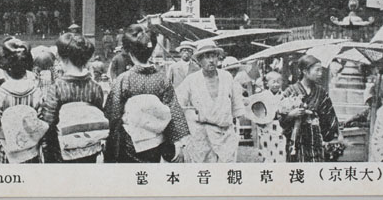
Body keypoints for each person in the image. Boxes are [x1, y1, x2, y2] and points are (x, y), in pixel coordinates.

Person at [103, 24, 190, 163]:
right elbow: (173, 108)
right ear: (152, 52)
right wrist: (178, 142)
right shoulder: (162, 79)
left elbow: (113, 112)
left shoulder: (124, 79)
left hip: (130, 141)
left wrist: (109, 140)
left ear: (130, 53)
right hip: (156, 141)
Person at [40, 33, 106, 163]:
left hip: (62, 152)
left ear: (62, 58)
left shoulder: (57, 88)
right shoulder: (95, 87)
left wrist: (47, 153)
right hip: (89, 150)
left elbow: (48, 123)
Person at [175, 39, 245, 163]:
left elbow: (237, 108)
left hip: (225, 135)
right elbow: (177, 105)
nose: (211, 60)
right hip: (202, 136)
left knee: (225, 174)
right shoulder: (192, 80)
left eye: (214, 56)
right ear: (199, 60)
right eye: (207, 57)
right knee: (205, 174)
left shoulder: (227, 77)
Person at [0, 38, 44, 163]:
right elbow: (42, 122)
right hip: (31, 152)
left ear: (4, 70)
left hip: (4, 152)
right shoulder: (37, 93)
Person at [278, 54, 341, 163]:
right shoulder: (290, 91)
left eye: (321, 70)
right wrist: (291, 114)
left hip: (315, 139)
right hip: (296, 140)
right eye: (317, 70)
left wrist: (334, 134)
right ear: (305, 71)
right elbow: (280, 117)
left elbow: (329, 115)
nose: (320, 74)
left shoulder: (321, 92)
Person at [254, 71, 286, 163]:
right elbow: (257, 112)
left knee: (281, 150)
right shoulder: (262, 96)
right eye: (273, 82)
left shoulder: (284, 95)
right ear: (267, 83)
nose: (276, 84)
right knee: (267, 151)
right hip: (266, 126)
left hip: (280, 125)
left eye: (278, 82)